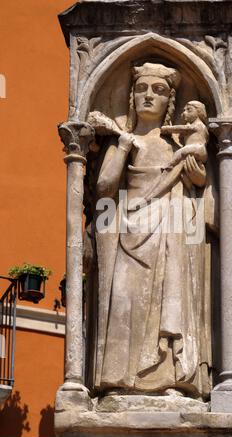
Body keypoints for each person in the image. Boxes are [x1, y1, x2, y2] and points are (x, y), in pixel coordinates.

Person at [84, 62, 216, 400]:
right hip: (130, 230)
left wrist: (194, 176)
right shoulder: (125, 139)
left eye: (158, 91)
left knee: (170, 302)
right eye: (142, 88)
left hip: (172, 230)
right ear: (131, 95)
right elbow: (104, 187)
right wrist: (125, 143)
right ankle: (120, 383)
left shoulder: (176, 142)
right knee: (126, 302)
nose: (148, 95)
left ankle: (171, 381)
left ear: (169, 101)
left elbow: (199, 182)